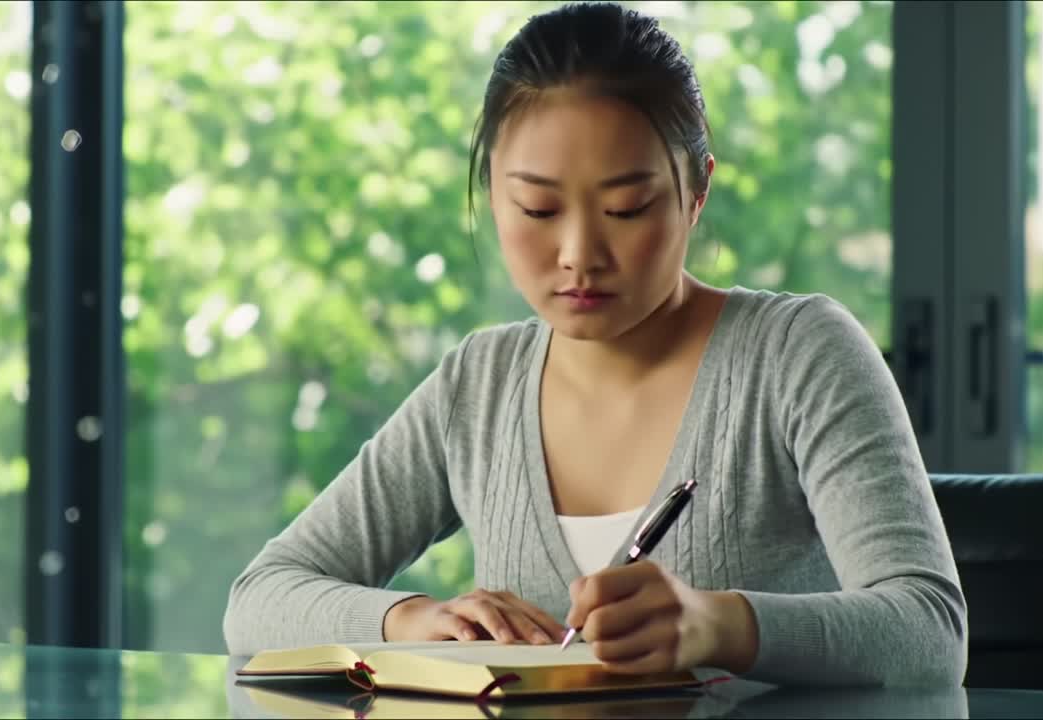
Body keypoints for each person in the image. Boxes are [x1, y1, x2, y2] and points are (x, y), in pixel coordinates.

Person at [223, 1, 967, 687]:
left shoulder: (798, 355)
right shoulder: (478, 385)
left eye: (626, 207)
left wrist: (719, 625)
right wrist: (411, 619)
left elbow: (931, 632)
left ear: (697, 191)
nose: (579, 252)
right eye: (537, 207)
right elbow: (258, 600)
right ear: (492, 192)